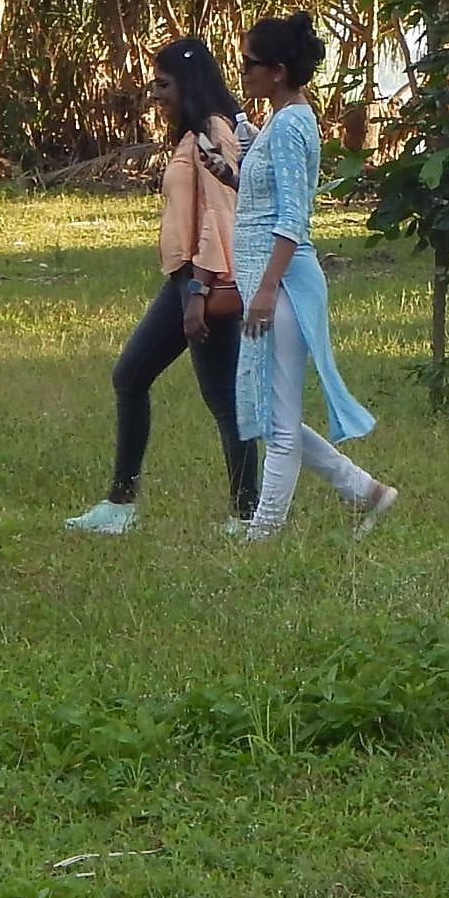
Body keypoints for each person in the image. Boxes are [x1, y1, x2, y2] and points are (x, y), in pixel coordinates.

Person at [65, 37, 258, 535]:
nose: (155, 94)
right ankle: (122, 504)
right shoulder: (193, 134)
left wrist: (198, 292)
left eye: (164, 84)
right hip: (183, 281)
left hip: (201, 284)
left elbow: (220, 217)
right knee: (134, 378)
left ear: (189, 84)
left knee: (222, 400)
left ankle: (246, 514)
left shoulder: (212, 132)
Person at [229, 10, 396, 540]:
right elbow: (266, 195)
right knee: (270, 411)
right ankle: (365, 491)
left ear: (277, 71)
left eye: (250, 64)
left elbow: (292, 217)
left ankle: (264, 533)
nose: (243, 72)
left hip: (281, 285)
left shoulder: (291, 124)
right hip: (267, 282)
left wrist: (265, 289)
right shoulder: (279, 122)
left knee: (278, 423)